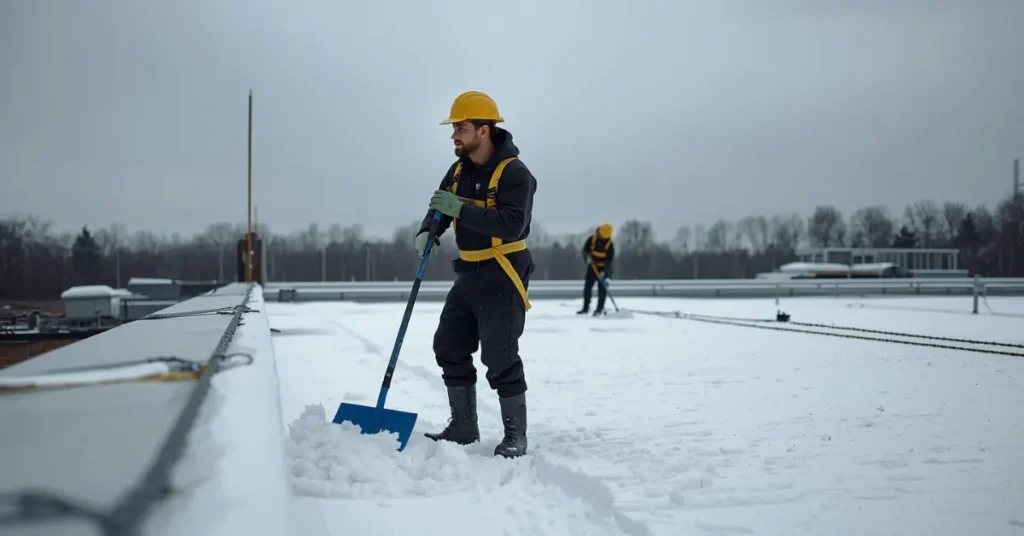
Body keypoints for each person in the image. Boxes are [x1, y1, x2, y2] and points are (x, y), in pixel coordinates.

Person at [412, 90, 537, 458]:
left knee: (500, 356)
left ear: (484, 130)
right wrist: (428, 230)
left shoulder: (515, 173)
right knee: (448, 345)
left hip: (503, 271)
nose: (454, 135)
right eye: (454, 128)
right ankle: (464, 426)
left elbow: (513, 224)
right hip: (468, 271)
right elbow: (440, 207)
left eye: (461, 128)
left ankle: (515, 435)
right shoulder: (458, 170)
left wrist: (461, 210)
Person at [577, 223, 615, 316]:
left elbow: (609, 260)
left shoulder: (609, 245)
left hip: (604, 268)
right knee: (587, 287)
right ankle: (585, 308)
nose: (602, 238)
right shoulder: (592, 240)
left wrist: (604, 271)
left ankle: (599, 309)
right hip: (592, 266)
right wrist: (587, 257)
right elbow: (585, 250)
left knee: (602, 288)